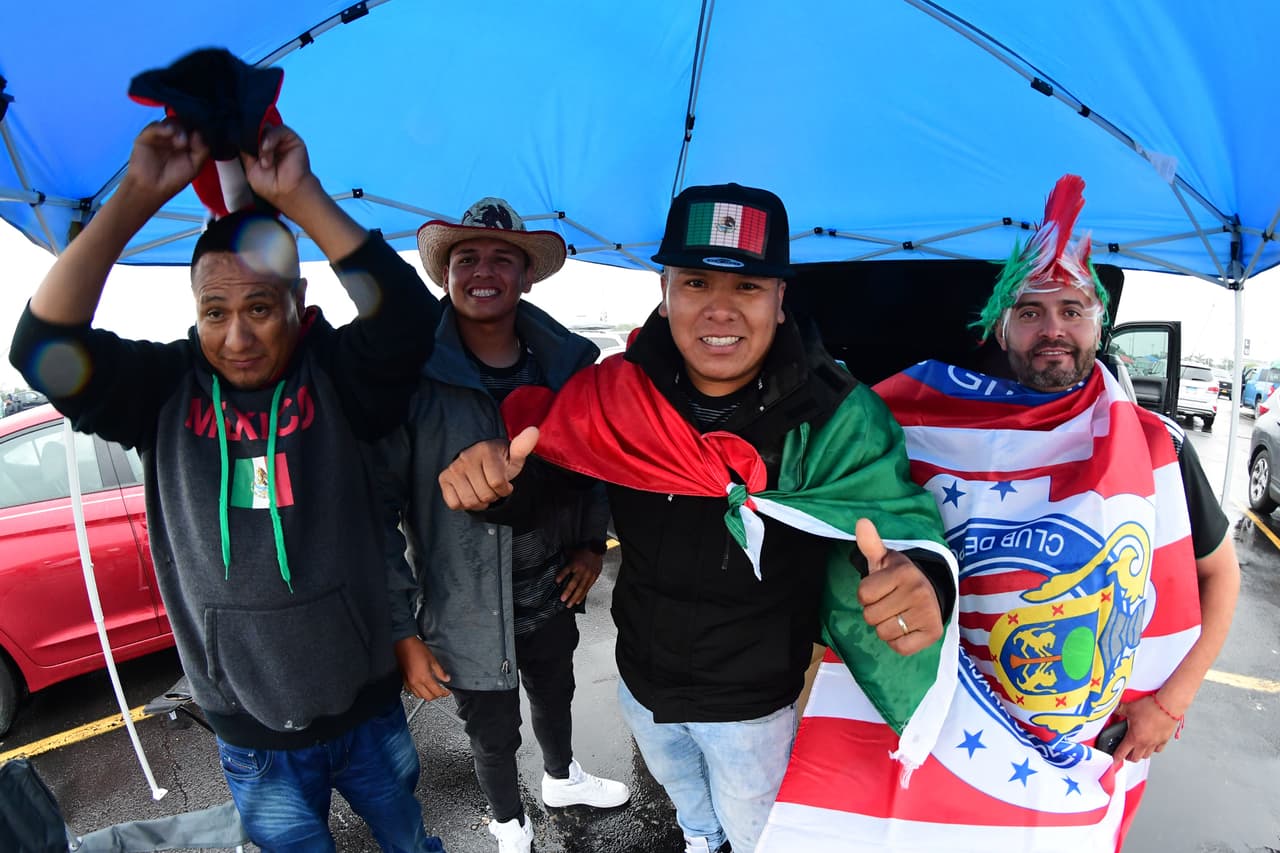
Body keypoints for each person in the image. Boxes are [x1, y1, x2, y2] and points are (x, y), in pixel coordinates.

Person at [437, 183, 958, 853]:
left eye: (747, 287)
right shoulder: (615, 393)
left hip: (754, 701)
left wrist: (925, 582)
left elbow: (898, 525)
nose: (719, 308)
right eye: (695, 281)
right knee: (690, 808)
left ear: (780, 296)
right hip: (642, 680)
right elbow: (543, 481)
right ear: (665, 289)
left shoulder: (837, 416)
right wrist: (494, 486)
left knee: (755, 829)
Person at [8, 117, 446, 853]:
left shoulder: (336, 375)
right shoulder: (162, 391)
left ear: (296, 303)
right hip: (252, 735)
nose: (236, 337)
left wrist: (301, 196)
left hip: (367, 709)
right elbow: (42, 348)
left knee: (411, 841)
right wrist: (137, 197)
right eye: (214, 312)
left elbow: (407, 321)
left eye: (258, 308)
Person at [796, 173, 1239, 851]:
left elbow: (1221, 577)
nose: (1053, 328)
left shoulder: (1155, 446)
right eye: (1030, 311)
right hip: (945, 740)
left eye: (1072, 307)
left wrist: (1171, 704)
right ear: (999, 326)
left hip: (1080, 760)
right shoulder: (914, 430)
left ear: (1101, 321)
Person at [382, 197, 629, 853]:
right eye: (467, 258)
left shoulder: (566, 363)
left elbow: (592, 466)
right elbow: (379, 507)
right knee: (491, 730)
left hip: (549, 587)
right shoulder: (407, 374)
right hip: (461, 602)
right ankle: (508, 823)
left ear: (527, 276)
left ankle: (561, 777)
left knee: (556, 692)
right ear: (444, 273)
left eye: (502, 258)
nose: (483, 271)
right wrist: (403, 630)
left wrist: (587, 544)